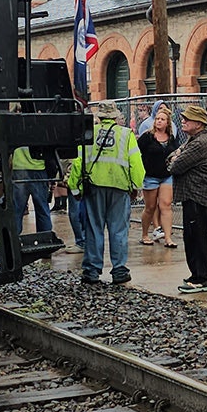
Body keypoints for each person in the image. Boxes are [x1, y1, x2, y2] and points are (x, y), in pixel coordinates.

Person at [66, 102, 147, 285]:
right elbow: (136, 162)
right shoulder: (126, 135)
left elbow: (78, 163)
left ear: (100, 116)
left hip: (94, 186)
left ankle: (92, 271)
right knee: (118, 230)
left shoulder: (89, 134)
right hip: (119, 187)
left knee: (94, 228)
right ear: (116, 116)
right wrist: (136, 186)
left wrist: (75, 187)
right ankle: (119, 270)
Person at [168, 104, 207, 294]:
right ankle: (196, 275)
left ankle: (202, 278)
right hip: (192, 195)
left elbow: (175, 166)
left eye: (187, 119)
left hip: (198, 196)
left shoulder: (200, 143)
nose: (183, 121)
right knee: (191, 237)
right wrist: (176, 158)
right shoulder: (194, 139)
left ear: (199, 123)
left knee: (197, 238)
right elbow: (171, 158)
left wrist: (176, 158)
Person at [137, 106, 179, 248]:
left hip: (167, 175)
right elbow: (137, 153)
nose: (159, 121)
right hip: (150, 176)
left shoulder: (171, 138)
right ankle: (144, 234)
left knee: (166, 205)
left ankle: (168, 238)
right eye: (157, 119)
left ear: (168, 123)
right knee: (150, 207)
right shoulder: (147, 137)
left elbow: (176, 152)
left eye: (162, 119)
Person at [10, 146, 56, 235]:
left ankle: (13, 239)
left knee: (17, 209)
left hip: (19, 169)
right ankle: (45, 238)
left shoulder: (15, 132)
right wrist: (52, 176)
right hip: (39, 169)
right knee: (42, 208)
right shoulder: (39, 132)